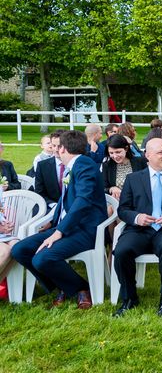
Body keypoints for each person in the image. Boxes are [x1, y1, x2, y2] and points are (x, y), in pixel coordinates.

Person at [11, 130, 108, 309]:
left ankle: (82, 288)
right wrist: (53, 223)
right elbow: (66, 202)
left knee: (42, 259)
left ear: (63, 149)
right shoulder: (74, 166)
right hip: (63, 226)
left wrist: (59, 232)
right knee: (20, 250)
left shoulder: (84, 165)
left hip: (83, 230)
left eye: (57, 147)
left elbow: (83, 200)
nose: (55, 150)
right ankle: (61, 287)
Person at [111, 138, 162, 317]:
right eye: (161, 152)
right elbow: (123, 209)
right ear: (147, 156)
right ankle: (129, 297)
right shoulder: (133, 179)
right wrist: (137, 217)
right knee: (121, 251)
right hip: (139, 230)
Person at [102, 134, 147, 200]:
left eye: (118, 152)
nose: (115, 156)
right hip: (117, 202)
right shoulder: (107, 165)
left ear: (126, 148)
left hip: (139, 201)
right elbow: (103, 187)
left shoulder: (140, 162)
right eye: (111, 153)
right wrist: (111, 189)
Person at [34, 130, 65, 209]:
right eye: (54, 146)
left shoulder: (75, 164)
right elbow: (39, 192)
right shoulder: (42, 166)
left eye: (60, 146)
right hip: (50, 206)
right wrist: (53, 205)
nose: (56, 149)